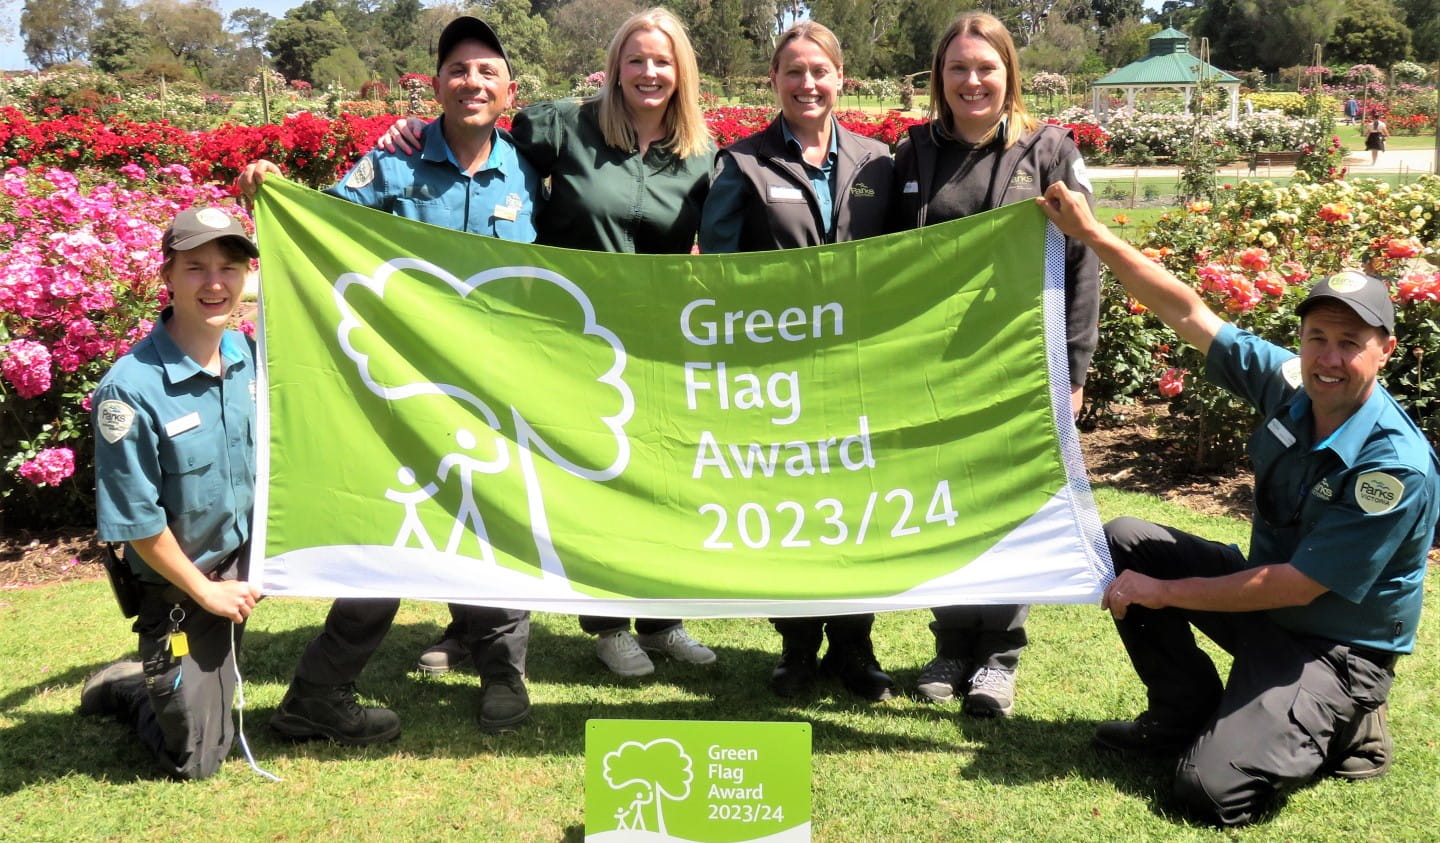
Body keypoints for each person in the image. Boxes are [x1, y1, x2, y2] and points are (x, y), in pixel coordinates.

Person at [1038, 180, 1439, 827]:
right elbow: (1188, 313)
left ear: (1385, 350)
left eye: (1350, 342)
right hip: (1269, 613)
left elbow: (1297, 585)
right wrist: (1092, 234)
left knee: (1209, 791)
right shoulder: (1291, 384)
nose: (1329, 358)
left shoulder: (1391, 467)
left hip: (1335, 646)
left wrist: (1164, 592)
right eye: (1317, 337)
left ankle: (1350, 720)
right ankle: (1183, 713)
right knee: (1125, 539)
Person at [382, 7, 717, 677]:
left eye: (663, 60)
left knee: (658, 484)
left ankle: (661, 619)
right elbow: (478, 143)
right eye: (636, 59)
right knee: (590, 481)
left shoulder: (702, 155)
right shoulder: (562, 126)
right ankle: (604, 624)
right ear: (615, 67)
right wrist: (413, 131)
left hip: (656, 349)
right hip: (570, 344)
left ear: (682, 71)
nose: (649, 72)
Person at [238, 16, 541, 737]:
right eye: (458, 70)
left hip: (493, 388)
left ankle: (502, 671)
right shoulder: (394, 163)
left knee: (493, 520)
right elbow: (320, 224)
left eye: (488, 72)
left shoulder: (531, 172)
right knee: (389, 531)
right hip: (396, 389)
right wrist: (272, 190)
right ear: (435, 85)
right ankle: (319, 691)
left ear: (510, 91)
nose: (472, 83)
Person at [890, 11, 1100, 718]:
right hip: (933, 369)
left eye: (986, 67)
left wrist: (1074, 372)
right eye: (958, 68)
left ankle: (998, 658)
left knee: (1013, 505)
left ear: (1009, 73)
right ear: (939, 77)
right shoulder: (912, 152)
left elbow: (1083, 262)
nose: (972, 81)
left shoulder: (1051, 150)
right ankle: (951, 645)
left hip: (1021, 365)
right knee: (943, 504)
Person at [697, 21, 896, 701]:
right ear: (774, 82)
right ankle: (797, 647)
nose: (807, 83)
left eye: (819, 71)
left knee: (855, 509)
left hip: (860, 371)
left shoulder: (879, 162)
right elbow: (718, 274)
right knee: (790, 511)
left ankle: (855, 647)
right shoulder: (742, 163)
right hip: (776, 378)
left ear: (841, 78)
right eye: (794, 72)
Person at [80, 206, 264, 780]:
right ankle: (130, 686)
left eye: (229, 267)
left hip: (245, 563)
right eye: (196, 268)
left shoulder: (250, 358)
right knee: (195, 758)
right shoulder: (129, 389)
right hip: (184, 587)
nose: (216, 283)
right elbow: (136, 521)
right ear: (167, 276)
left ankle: (319, 696)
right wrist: (207, 593)